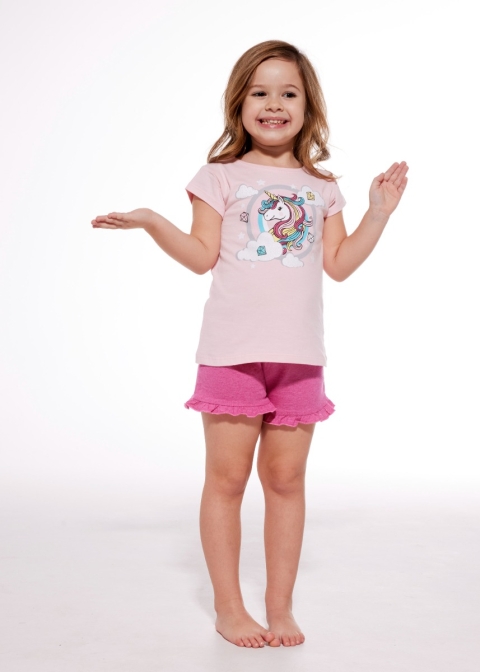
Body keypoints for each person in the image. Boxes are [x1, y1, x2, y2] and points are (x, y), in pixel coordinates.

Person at [91, 40, 408, 649]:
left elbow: (339, 265)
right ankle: (229, 608)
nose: (274, 104)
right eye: (260, 92)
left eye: (288, 93)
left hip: (299, 359)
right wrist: (153, 221)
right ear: (239, 104)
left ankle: (279, 606)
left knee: (286, 481)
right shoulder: (218, 177)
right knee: (229, 480)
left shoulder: (321, 186)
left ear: (308, 108)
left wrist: (378, 214)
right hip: (231, 355)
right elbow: (200, 256)